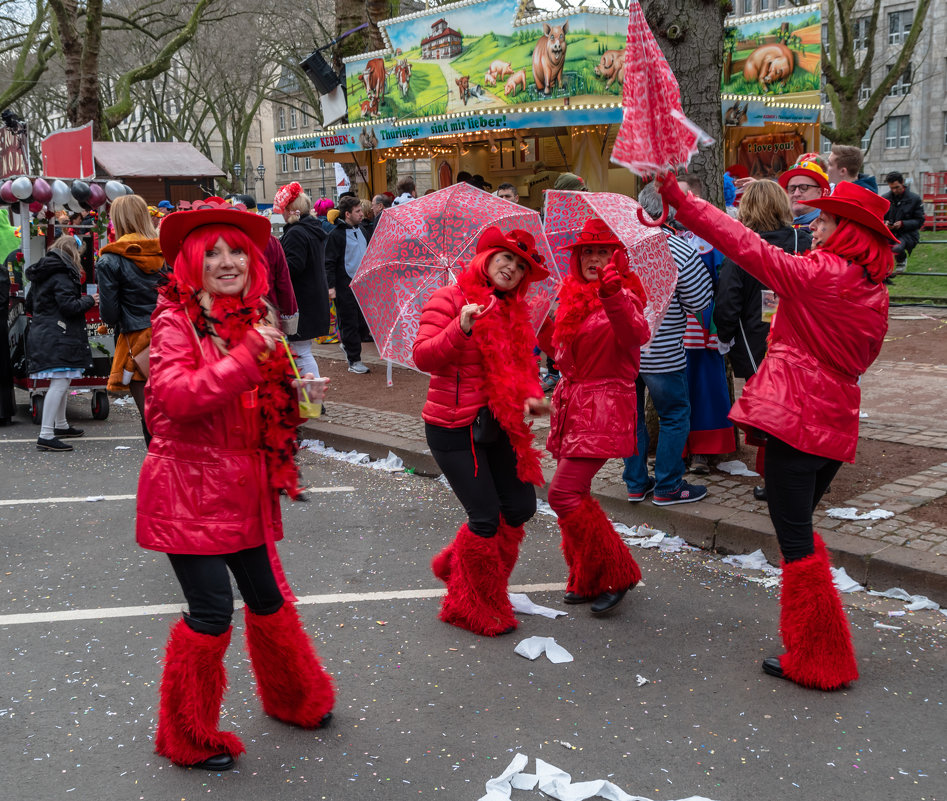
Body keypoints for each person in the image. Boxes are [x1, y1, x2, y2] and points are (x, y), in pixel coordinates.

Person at [657, 172, 896, 691]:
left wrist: (682, 201)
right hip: (832, 423)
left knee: (796, 542)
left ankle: (821, 657)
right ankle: (814, 644)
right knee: (799, 533)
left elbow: (746, 247)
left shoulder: (823, 274)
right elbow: (861, 360)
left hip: (799, 419)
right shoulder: (872, 291)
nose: (813, 227)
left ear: (848, 232)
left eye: (825, 221)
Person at [138, 197, 334, 771]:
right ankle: (187, 735)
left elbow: (269, 408)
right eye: (213, 253)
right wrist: (249, 357)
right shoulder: (174, 323)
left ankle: (295, 697)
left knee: (269, 599)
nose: (227, 262)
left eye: (237, 253)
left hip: (244, 485)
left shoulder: (258, 319)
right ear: (191, 264)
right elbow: (174, 399)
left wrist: (303, 403)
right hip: (187, 490)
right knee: (211, 612)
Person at [414, 226, 549, 637]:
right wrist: (461, 327)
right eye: (506, 258)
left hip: (499, 425)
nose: (512, 268)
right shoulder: (449, 298)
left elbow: (522, 371)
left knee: (522, 506)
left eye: (521, 266)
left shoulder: (512, 312)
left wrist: (532, 398)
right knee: (485, 517)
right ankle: (470, 602)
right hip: (454, 428)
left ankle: (460, 569)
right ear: (487, 258)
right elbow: (422, 357)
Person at [540, 218, 651, 616]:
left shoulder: (626, 296)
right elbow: (564, 358)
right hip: (573, 406)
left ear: (617, 257)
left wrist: (612, 294)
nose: (594, 258)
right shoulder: (572, 298)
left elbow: (636, 334)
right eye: (588, 251)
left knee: (562, 493)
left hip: (604, 407)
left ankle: (618, 571)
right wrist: (539, 326)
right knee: (578, 493)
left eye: (604, 251)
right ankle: (586, 577)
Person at [713, 180, 812, 502]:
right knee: (801, 408)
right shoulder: (806, 241)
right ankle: (800, 474)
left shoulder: (742, 250)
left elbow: (728, 302)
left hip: (760, 343)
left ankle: (777, 481)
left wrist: (724, 338)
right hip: (806, 339)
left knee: (772, 416)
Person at [622, 181, 713, 505]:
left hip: (622, 351)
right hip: (662, 352)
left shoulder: (621, 244)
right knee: (674, 415)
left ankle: (635, 482)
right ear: (672, 213)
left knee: (630, 417)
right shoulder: (679, 249)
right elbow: (700, 300)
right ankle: (668, 485)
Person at [96, 194, 165, 445]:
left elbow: (109, 315)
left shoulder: (110, 259)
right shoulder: (164, 250)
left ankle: (160, 472)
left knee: (150, 418)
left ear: (118, 220)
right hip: (171, 335)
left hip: (136, 342)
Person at [25, 236, 97, 451]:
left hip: (46, 332)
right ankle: (46, 434)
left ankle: (60, 425)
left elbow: (30, 303)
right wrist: (90, 300)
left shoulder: (44, 272)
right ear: (72, 253)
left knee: (61, 381)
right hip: (59, 334)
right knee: (61, 382)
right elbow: (70, 306)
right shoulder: (62, 274)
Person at [275, 182, 331, 379]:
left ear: (291, 210)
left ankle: (314, 399)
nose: (281, 213)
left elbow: (292, 267)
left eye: (283, 209)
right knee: (302, 350)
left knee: (301, 351)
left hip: (302, 301)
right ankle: (312, 396)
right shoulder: (310, 229)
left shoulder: (297, 232)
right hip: (312, 299)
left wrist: (273, 267)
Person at [225, 194, 298, 334]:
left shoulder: (222, 242)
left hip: (246, 316)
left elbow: (284, 281)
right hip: (267, 315)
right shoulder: (271, 242)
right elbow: (284, 283)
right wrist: (288, 316)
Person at [325, 196, 370, 373]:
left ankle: (348, 345)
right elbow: (328, 262)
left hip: (363, 285)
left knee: (363, 322)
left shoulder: (363, 231)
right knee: (349, 322)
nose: (361, 214)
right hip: (345, 286)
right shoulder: (336, 235)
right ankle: (354, 360)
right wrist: (331, 286)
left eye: (361, 210)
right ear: (347, 214)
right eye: (357, 211)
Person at [882, 171, 926, 268]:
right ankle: (884, 270)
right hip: (890, 232)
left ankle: (901, 260)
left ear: (902, 182)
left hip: (908, 233)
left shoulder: (915, 199)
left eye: (897, 187)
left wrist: (903, 224)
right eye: (891, 188)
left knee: (897, 247)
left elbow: (920, 221)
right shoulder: (885, 199)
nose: (894, 190)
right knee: (878, 247)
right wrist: (885, 223)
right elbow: (880, 217)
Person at [776, 157, 830, 231]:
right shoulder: (776, 225)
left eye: (804, 187)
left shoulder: (830, 226)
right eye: (792, 188)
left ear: (819, 192)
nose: (796, 194)